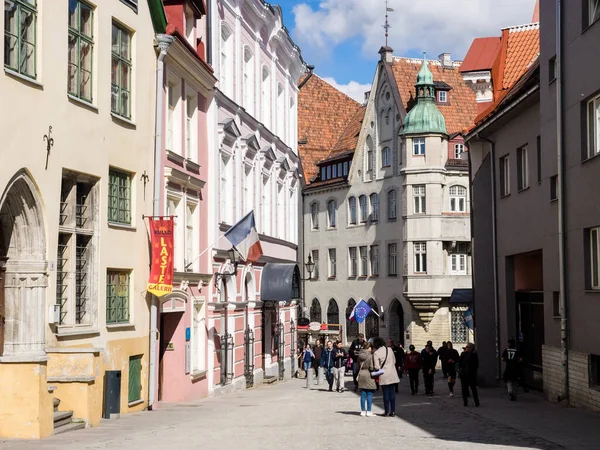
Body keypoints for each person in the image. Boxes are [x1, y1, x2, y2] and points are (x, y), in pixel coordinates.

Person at [373, 337, 400, 416]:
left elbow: (377, 367)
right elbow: (394, 361)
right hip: (392, 373)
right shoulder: (390, 350)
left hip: (384, 375)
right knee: (392, 393)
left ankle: (386, 411)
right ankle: (393, 411)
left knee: (385, 394)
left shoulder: (376, 353)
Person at [356, 341, 376, 416]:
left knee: (363, 394)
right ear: (369, 348)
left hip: (361, 374)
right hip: (368, 374)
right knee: (370, 394)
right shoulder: (370, 356)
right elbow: (371, 367)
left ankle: (363, 411)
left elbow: (358, 365)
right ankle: (369, 411)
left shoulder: (360, 355)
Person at [459, 343, 480, 407]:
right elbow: (459, 362)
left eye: (467, 347)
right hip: (464, 374)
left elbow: (476, 365)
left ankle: (476, 401)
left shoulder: (474, 355)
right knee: (464, 389)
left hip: (471, 375)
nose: (466, 348)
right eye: (466, 347)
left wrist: (474, 372)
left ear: (471, 348)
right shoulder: (463, 354)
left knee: (473, 389)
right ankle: (465, 402)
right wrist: (460, 370)